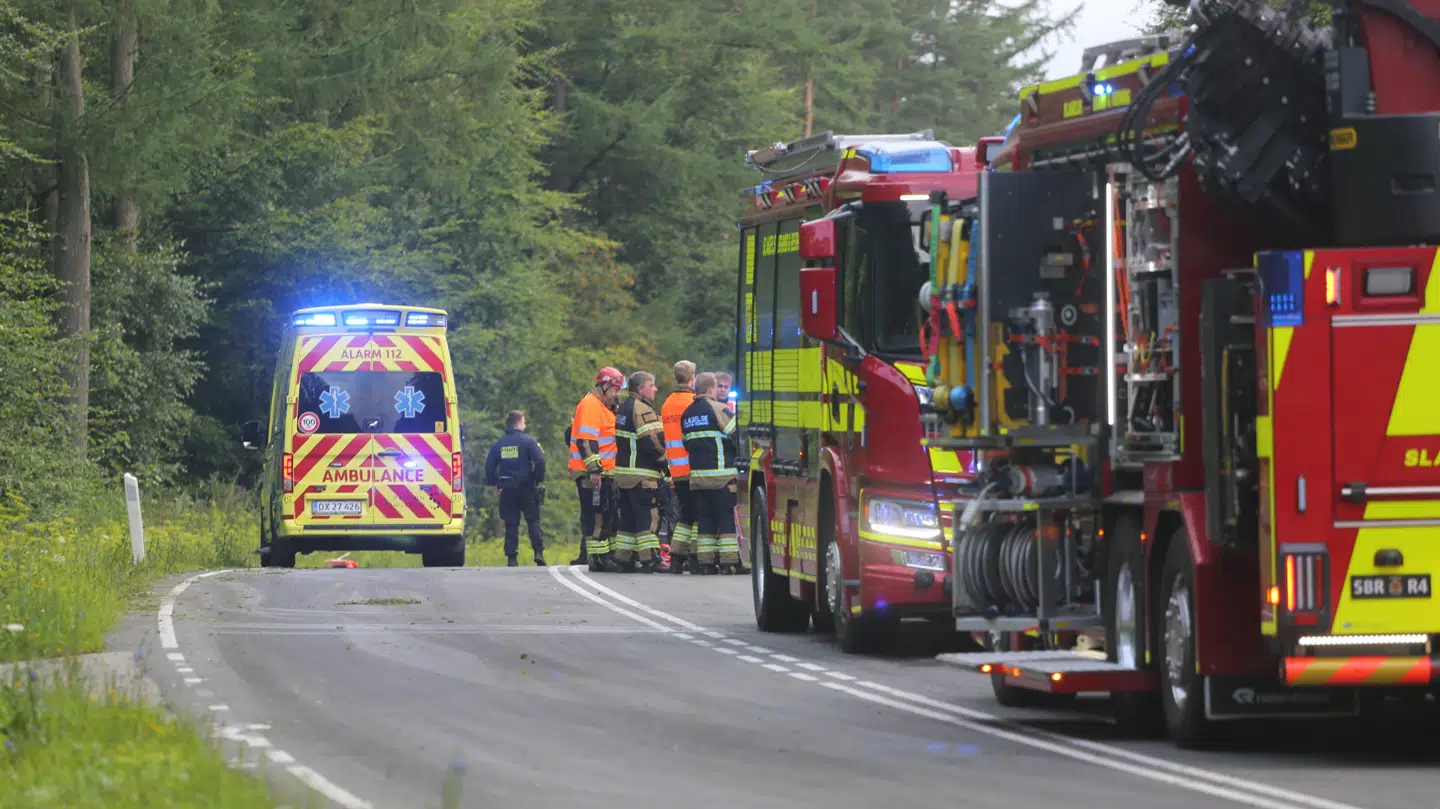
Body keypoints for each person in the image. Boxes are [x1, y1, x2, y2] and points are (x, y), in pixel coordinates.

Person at [681, 372, 740, 575]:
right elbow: (736, 435)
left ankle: (705, 563)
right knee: (726, 519)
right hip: (722, 476)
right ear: (710, 389)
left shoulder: (687, 414)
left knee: (705, 521)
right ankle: (728, 563)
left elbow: (686, 444)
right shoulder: (718, 408)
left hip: (698, 478)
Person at [570, 367, 624, 572]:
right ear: (605, 386)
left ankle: (606, 556)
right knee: (596, 516)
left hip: (604, 472)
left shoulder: (603, 406)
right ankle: (597, 559)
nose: (617, 394)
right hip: (590, 473)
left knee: (606, 514)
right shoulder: (590, 405)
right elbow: (586, 440)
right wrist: (594, 470)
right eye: (615, 389)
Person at [612, 371, 667, 572]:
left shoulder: (623, 408)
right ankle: (650, 558)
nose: (655, 389)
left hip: (623, 474)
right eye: (651, 386)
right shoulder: (642, 409)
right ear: (640, 389)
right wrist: (665, 457)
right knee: (647, 517)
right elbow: (652, 441)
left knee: (627, 519)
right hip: (642, 475)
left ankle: (624, 558)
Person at [484, 410, 547, 567]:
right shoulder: (529, 441)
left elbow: (489, 466)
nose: (525, 425)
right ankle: (538, 553)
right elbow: (540, 461)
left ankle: (512, 558)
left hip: (508, 488)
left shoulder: (499, 444)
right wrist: (537, 479)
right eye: (524, 422)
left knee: (511, 523)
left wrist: (496, 483)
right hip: (528, 487)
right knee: (533, 520)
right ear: (518, 424)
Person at [660, 360, 698, 574]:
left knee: (685, 517)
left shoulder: (667, 404)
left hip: (676, 470)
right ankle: (694, 558)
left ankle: (676, 558)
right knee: (698, 517)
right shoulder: (693, 402)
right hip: (695, 469)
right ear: (692, 378)